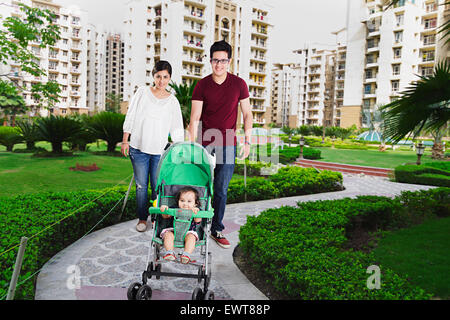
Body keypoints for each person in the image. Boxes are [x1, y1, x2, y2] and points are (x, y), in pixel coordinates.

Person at [189, 40, 253, 249]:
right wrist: (191, 144)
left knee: (221, 189)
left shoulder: (239, 84)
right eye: (216, 60)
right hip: (205, 143)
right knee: (199, 186)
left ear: (229, 61)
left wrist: (247, 139)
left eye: (223, 60)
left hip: (228, 143)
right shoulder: (202, 85)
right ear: (210, 61)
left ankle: (216, 228)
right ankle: (195, 227)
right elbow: (195, 117)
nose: (219, 65)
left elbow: (247, 113)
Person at [122, 60, 184, 233]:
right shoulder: (142, 93)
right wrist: (125, 139)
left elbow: (177, 127)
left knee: (157, 186)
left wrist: (178, 150)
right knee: (141, 186)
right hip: (138, 148)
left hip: (159, 152)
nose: (161, 80)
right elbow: (131, 115)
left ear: (170, 78)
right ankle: (142, 218)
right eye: (158, 76)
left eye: (165, 77)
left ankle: (156, 217)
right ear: (153, 76)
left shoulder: (173, 102)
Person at [160, 187, 202, 264]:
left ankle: (186, 254)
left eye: (189, 201)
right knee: (168, 235)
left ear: (195, 203)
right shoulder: (174, 208)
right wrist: (165, 210)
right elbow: (165, 216)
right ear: (178, 201)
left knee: (191, 238)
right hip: (173, 231)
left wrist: (196, 213)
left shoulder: (196, 210)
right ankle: (170, 252)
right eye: (182, 200)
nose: (185, 204)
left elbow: (198, 221)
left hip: (188, 232)